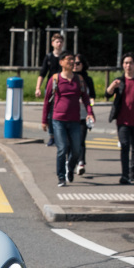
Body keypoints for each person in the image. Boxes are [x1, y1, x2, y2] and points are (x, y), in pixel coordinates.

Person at [41, 52, 94, 186]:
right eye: (69, 60)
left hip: (75, 120)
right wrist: (44, 120)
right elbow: (47, 100)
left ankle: (69, 169)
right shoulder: (55, 79)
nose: (72, 62)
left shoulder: (79, 79)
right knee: (62, 148)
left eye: (74, 60)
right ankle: (61, 177)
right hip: (58, 120)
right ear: (61, 62)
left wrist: (90, 112)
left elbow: (86, 98)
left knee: (76, 149)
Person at [106, 54, 134, 185]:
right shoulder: (119, 81)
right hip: (122, 120)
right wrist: (112, 86)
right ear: (123, 65)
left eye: (131, 63)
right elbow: (107, 94)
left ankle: (132, 171)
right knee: (124, 146)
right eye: (126, 63)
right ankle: (124, 174)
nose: (128, 66)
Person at [35, 33, 65, 147]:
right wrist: (38, 88)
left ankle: (60, 136)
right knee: (50, 113)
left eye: (61, 42)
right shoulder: (48, 57)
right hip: (51, 87)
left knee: (60, 112)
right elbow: (42, 73)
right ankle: (52, 136)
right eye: (57, 41)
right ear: (52, 43)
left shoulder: (65, 57)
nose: (59, 44)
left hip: (63, 87)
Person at [73, 54, 96, 176]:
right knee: (69, 141)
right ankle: (70, 162)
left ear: (83, 65)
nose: (75, 66)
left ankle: (81, 163)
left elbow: (92, 95)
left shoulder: (88, 80)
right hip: (69, 115)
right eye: (73, 63)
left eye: (78, 63)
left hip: (83, 114)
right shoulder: (68, 78)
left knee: (81, 139)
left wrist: (90, 105)